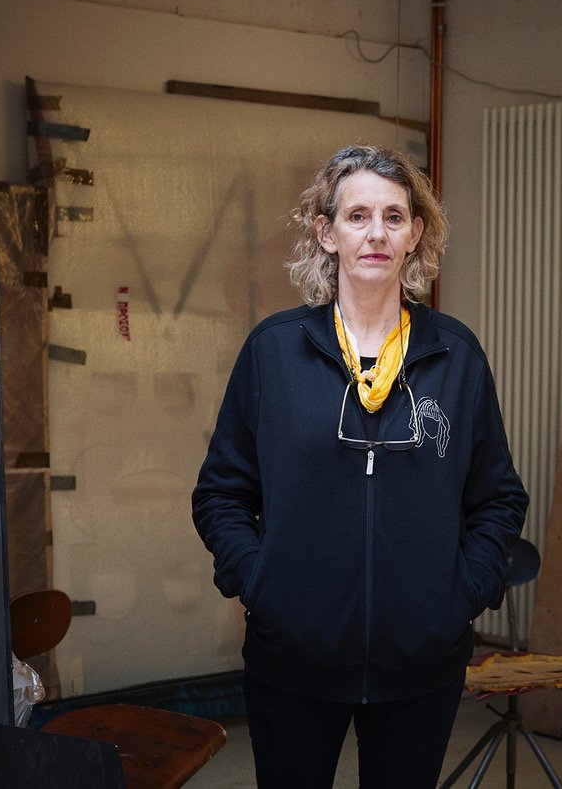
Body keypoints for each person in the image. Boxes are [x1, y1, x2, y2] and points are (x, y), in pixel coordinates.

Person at [192, 145, 528, 789]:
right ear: (327, 232)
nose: (376, 233)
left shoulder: (455, 357)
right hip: (292, 663)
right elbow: (221, 494)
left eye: (395, 217)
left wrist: (459, 597)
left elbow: (498, 499)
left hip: (420, 668)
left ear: (416, 234)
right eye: (357, 216)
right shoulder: (274, 352)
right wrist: (263, 585)